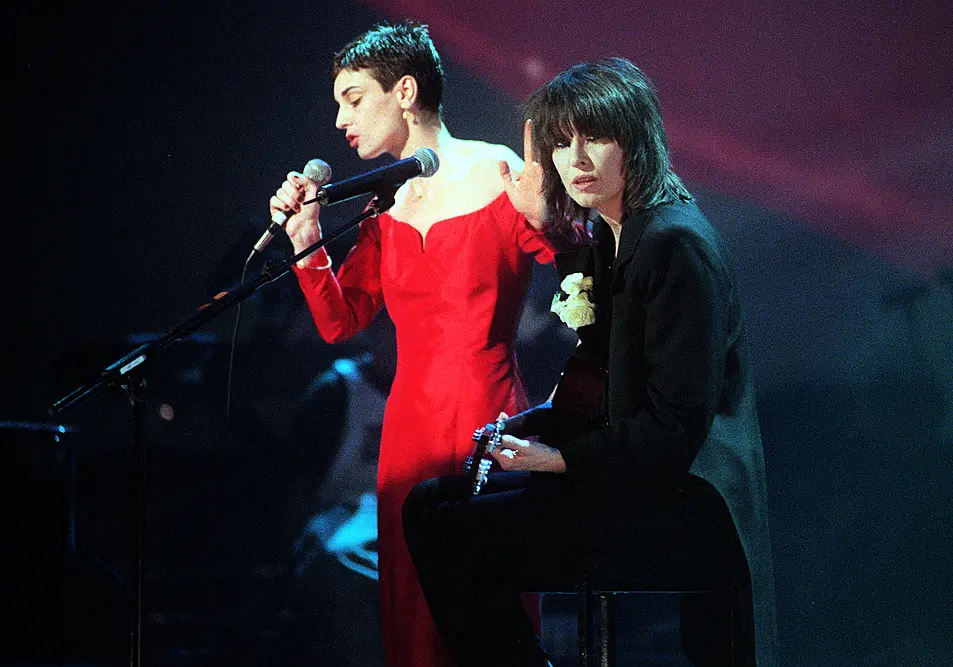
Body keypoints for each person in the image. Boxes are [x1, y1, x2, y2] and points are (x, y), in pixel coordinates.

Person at [403, 58, 779, 666]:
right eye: (559, 142)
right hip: (639, 479)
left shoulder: (674, 243)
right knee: (427, 504)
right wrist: (534, 427)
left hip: (691, 502)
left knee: (452, 535)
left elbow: (675, 428)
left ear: (635, 138)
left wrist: (557, 460)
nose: (574, 159)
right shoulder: (614, 229)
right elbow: (600, 362)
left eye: (594, 138)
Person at [269, 22, 564, 667]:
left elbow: (567, 260)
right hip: (408, 432)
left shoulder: (496, 169)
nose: (340, 118)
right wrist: (307, 237)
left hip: (489, 415)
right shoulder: (384, 204)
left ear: (404, 91)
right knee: (415, 622)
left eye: (353, 98)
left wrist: (551, 214)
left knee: (487, 611)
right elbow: (341, 322)